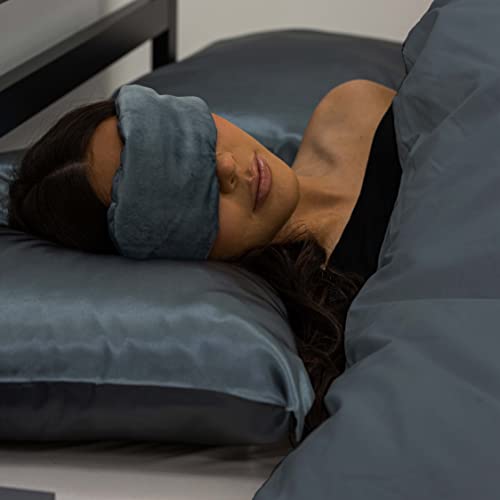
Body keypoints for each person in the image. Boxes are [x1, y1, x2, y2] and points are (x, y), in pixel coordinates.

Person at [7, 78, 399, 443]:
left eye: (188, 136)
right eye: (179, 193)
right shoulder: (344, 316)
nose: (226, 167)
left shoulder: (352, 109)